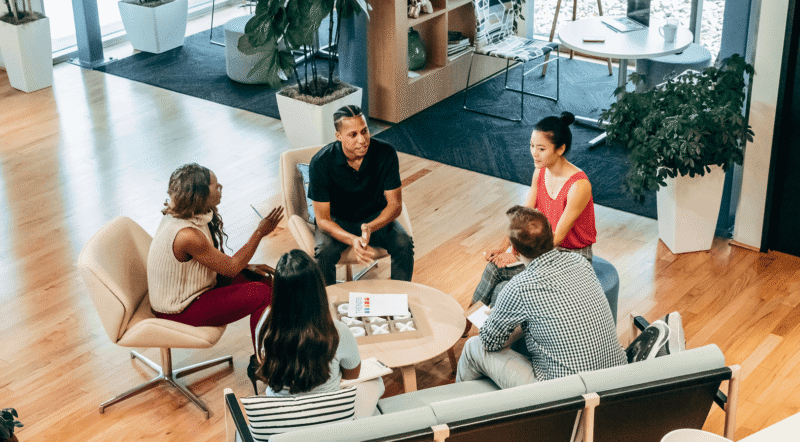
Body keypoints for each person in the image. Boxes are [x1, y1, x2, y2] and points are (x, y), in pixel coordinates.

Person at [146, 163, 284, 393]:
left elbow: (213, 262)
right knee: (261, 295)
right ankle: (264, 366)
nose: (220, 187)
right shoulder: (187, 235)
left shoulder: (194, 215)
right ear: (198, 194)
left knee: (266, 282)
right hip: (179, 308)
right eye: (214, 185)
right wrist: (260, 232)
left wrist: (245, 266)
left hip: (197, 289)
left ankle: (276, 356)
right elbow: (229, 268)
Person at [456, 206, 625, 389]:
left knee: (473, 347)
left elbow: (489, 342)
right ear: (552, 235)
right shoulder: (581, 263)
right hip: (614, 380)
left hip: (565, 394)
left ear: (515, 252)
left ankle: (459, 410)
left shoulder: (520, 287)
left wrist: (498, 318)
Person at [472, 111, 596, 308]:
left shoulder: (579, 186)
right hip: (542, 246)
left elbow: (557, 238)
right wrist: (504, 247)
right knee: (493, 269)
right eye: (531, 146)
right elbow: (521, 217)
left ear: (560, 149)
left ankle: (490, 334)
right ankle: (466, 322)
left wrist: (517, 253)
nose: (534, 153)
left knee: (503, 290)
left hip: (571, 256)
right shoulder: (540, 171)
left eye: (541, 148)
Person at [255, 249, 384, 418]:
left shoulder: (266, 324)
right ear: (317, 290)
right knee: (376, 382)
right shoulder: (337, 331)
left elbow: (262, 359)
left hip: (282, 416)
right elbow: (352, 374)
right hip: (328, 416)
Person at [309, 105, 414, 286]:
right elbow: (323, 219)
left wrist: (371, 227)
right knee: (324, 252)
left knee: (404, 244)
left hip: (374, 216)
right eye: (353, 134)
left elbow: (395, 205)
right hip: (337, 219)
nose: (362, 140)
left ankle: (399, 299)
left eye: (364, 131)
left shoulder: (386, 153)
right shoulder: (320, 163)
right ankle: (325, 305)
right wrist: (352, 239)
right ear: (339, 136)